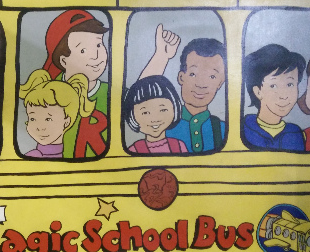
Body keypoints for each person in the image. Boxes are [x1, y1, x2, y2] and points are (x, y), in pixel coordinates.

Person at [139, 24, 226, 153]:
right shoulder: (162, 123)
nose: (201, 84)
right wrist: (161, 56)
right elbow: (140, 98)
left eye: (212, 76)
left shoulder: (223, 129)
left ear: (220, 83)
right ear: (181, 77)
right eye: (193, 74)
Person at [42, 10, 109, 158]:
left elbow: (142, 100)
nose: (96, 56)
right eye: (83, 50)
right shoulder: (48, 95)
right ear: (64, 61)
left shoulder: (111, 93)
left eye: (99, 45)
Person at [242, 44, 306, 151]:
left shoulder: (296, 133)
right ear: (258, 91)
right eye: (273, 86)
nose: (284, 95)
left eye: (290, 84)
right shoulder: (244, 128)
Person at [18, 69, 94, 158]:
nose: (39, 127)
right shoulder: (33, 156)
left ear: (66, 122)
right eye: (32, 118)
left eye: (48, 119)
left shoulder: (74, 155)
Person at [122, 75, 188, 154]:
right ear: (132, 115)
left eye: (163, 110)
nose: (155, 119)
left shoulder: (179, 146)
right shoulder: (134, 150)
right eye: (145, 113)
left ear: (175, 108)